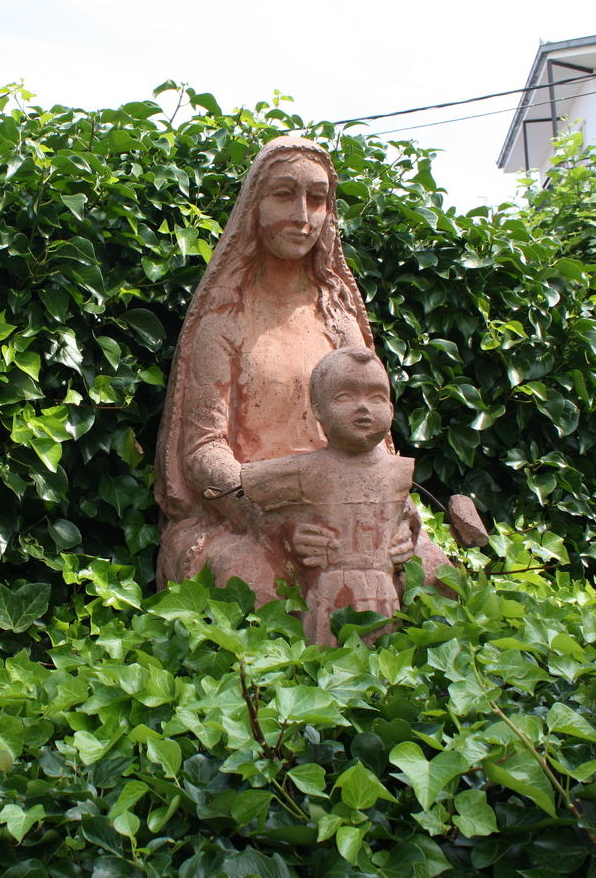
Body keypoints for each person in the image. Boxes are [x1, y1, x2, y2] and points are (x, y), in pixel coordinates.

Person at [155, 135, 444, 606]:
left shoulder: (339, 320)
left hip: (348, 510)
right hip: (244, 518)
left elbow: (374, 439)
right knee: (257, 583)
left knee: (432, 574)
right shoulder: (224, 320)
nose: (302, 215)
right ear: (254, 207)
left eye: (317, 199)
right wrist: (270, 518)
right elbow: (204, 450)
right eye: (284, 194)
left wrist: (396, 518)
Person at [242, 347, 414, 645]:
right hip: (330, 591)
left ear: (391, 408)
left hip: (383, 592)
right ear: (318, 409)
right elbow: (254, 510)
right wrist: (291, 535)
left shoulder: (399, 472)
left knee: (385, 653)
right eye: (344, 397)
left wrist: (405, 537)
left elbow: (406, 517)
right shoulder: (302, 471)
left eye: (377, 397)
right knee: (327, 652)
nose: (363, 408)